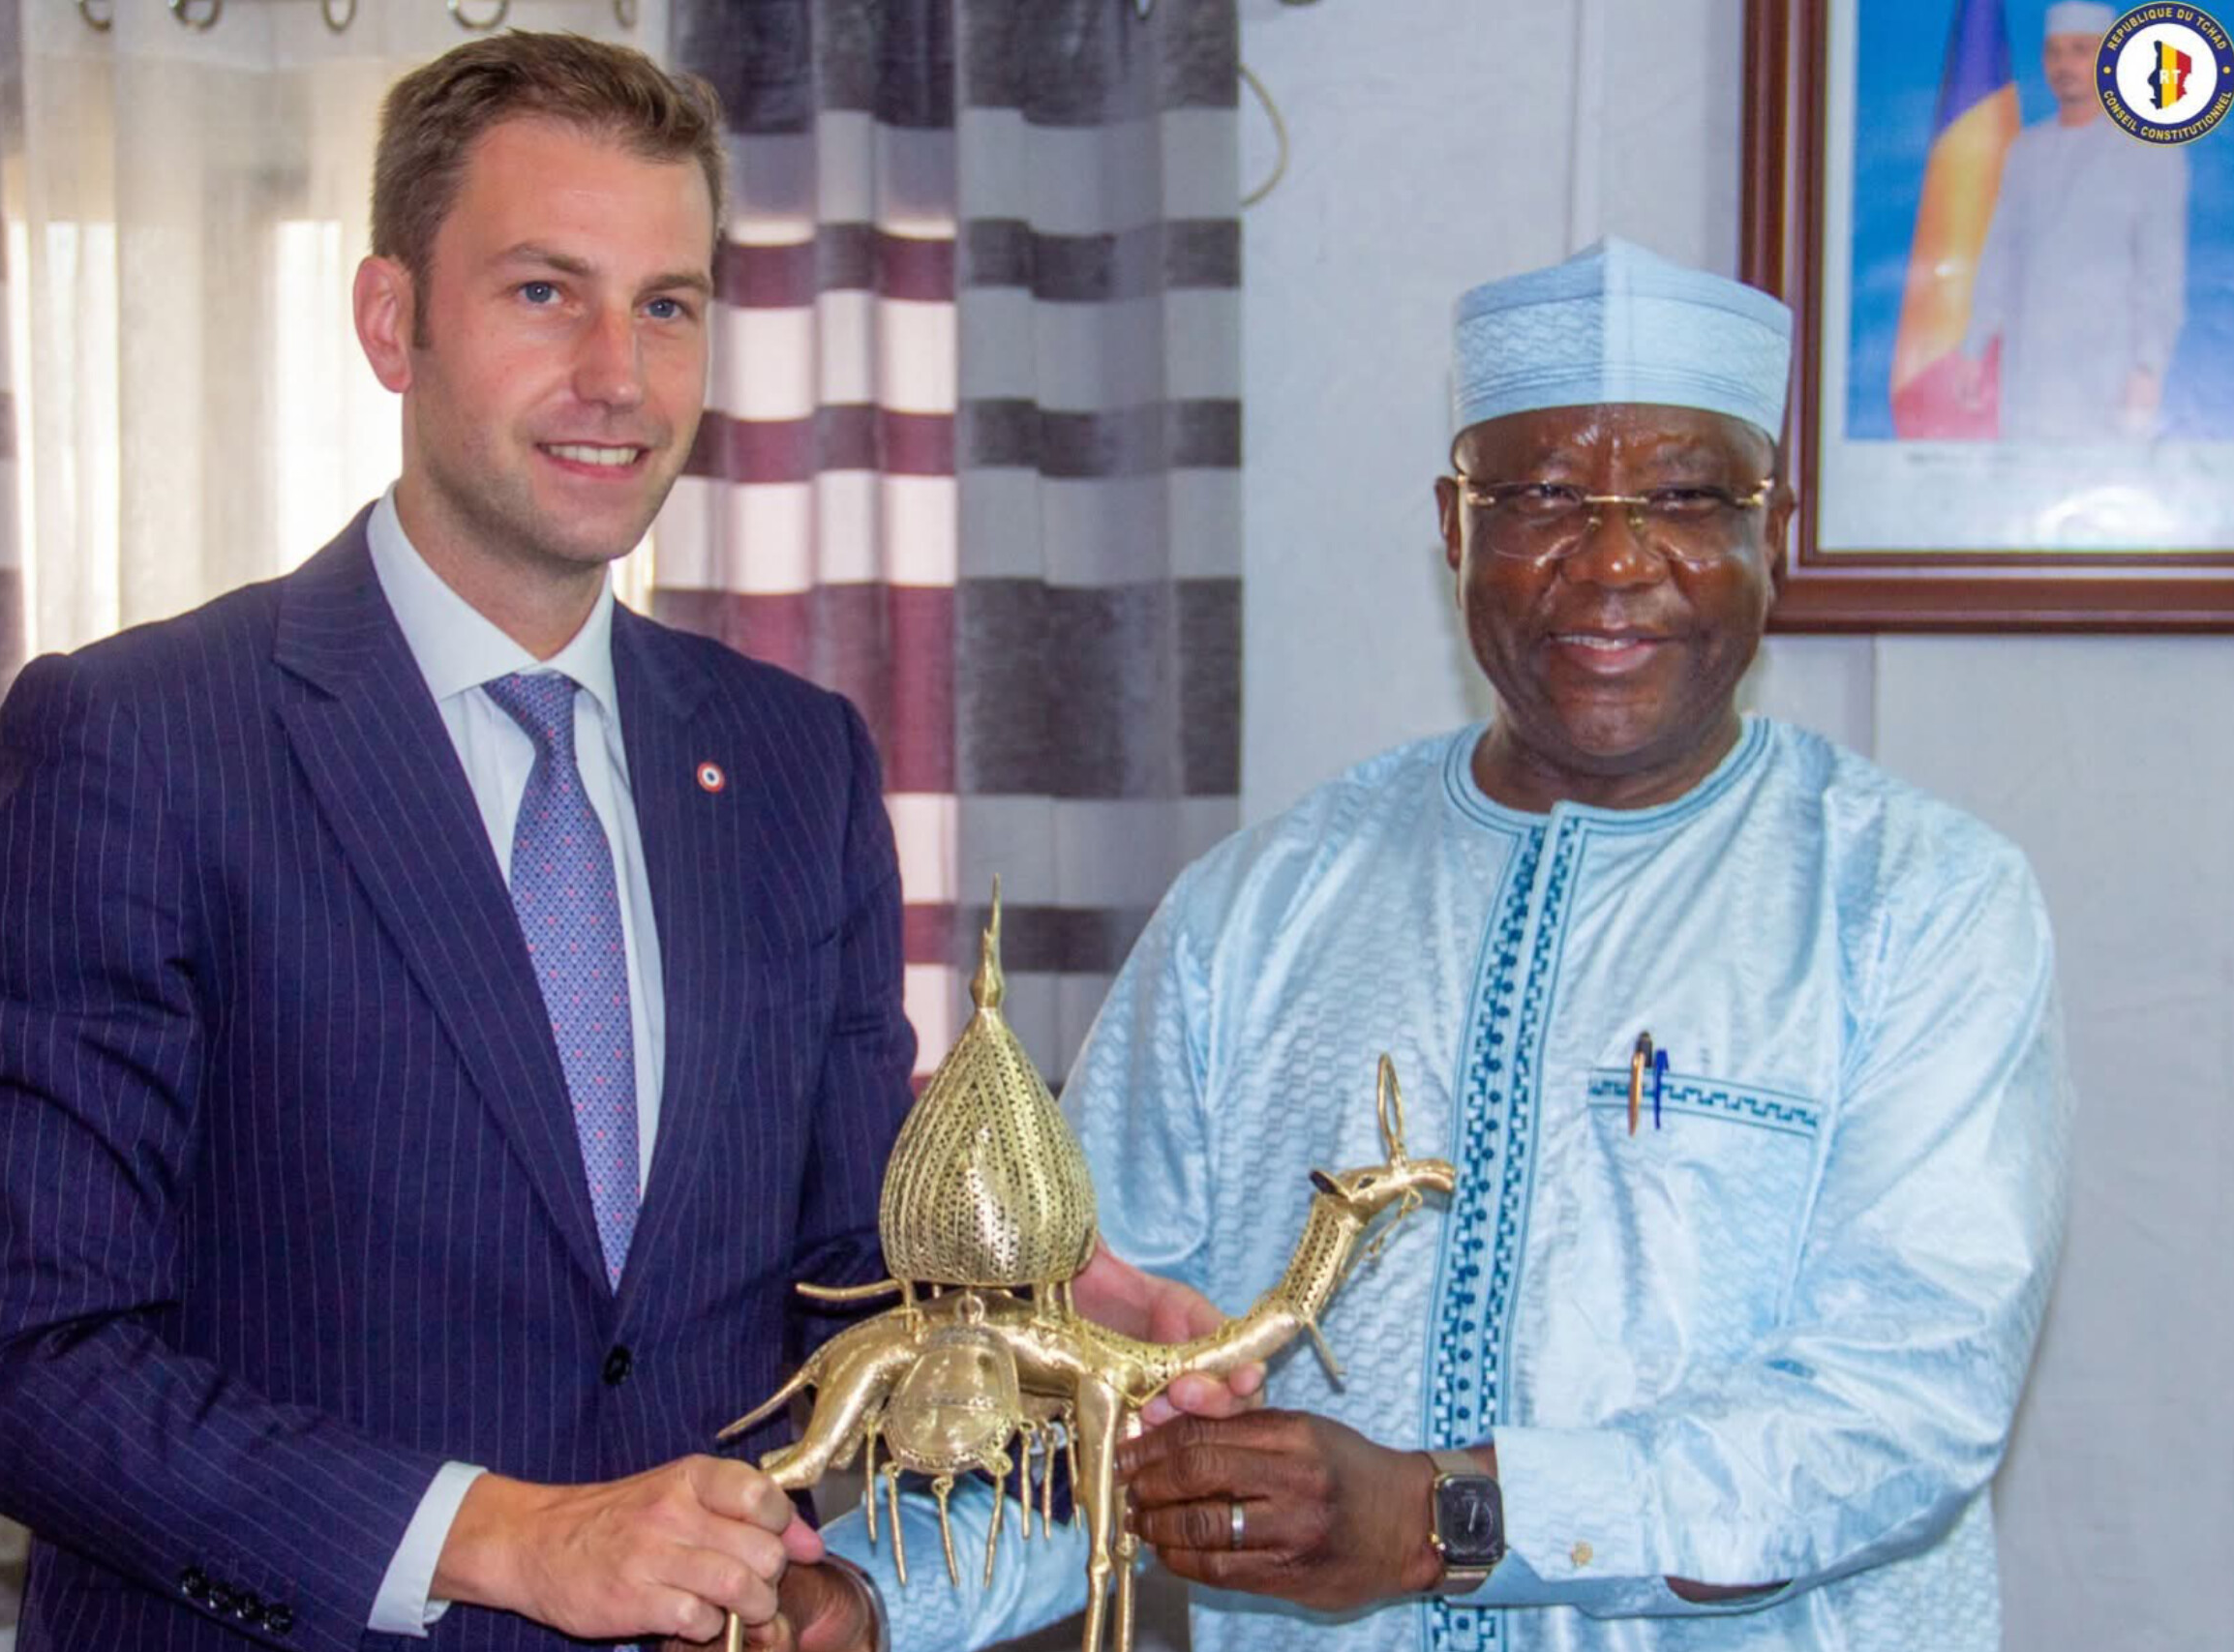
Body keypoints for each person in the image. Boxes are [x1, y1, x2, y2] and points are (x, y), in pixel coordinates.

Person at [792, 239, 2070, 1651]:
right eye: (1538, 496)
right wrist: (867, 1593)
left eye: (1687, 496)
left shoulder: (1917, 900)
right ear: (1456, 526)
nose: (1616, 557)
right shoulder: (1261, 911)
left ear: (1776, 525)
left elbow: (1902, 1405)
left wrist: (1438, 1514)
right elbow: (1093, 1372)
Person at [0, 31, 916, 1652]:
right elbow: (15, 1358)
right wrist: (504, 1537)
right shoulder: (143, 738)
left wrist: (1029, 1313)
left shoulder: (798, 763)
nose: (618, 374)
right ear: (392, 321)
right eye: (543, 292)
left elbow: (846, 1273)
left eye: (668, 304)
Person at [1958, 1, 2190, 441]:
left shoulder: (2152, 154)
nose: (2065, 65)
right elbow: (2002, 252)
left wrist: (2147, 367)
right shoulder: (2027, 151)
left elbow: (2162, 273)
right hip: (2031, 370)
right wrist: (1974, 346)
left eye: (2081, 50)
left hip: (2109, 373)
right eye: (2055, 52)